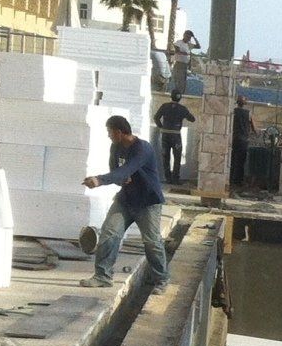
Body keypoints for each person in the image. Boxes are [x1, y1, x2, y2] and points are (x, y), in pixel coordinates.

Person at [79, 116, 168, 293]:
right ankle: (102, 276)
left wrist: (100, 180)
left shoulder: (142, 148)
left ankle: (161, 279)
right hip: (125, 200)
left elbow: (127, 169)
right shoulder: (116, 147)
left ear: (119, 132)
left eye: (109, 132)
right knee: (109, 233)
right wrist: (119, 179)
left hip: (148, 202)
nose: (108, 135)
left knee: (152, 241)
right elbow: (116, 171)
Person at [153, 92, 195, 184]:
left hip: (165, 135)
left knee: (165, 157)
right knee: (177, 157)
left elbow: (156, 118)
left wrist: (161, 127)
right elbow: (192, 119)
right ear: (180, 98)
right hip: (176, 135)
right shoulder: (182, 109)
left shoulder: (164, 106)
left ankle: (168, 178)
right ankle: (175, 179)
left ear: (171, 96)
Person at [230, 95, 255, 185]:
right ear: (245, 103)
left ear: (237, 103)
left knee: (232, 159)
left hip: (234, 138)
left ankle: (230, 179)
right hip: (243, 140)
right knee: (240, 161)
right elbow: (254, 128)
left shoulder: (233, 111)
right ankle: (238, 181)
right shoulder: (248, 113)